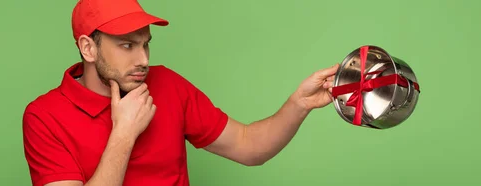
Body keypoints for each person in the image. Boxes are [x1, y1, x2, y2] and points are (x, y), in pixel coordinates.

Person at [22, 0, 339, 185]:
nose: (143, 59)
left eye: (146, 44)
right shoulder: (44, 117)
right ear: (88, 48)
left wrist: (300, 103)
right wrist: (124, 135)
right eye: (127, 45)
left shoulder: (168, 85)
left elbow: (249, 146)